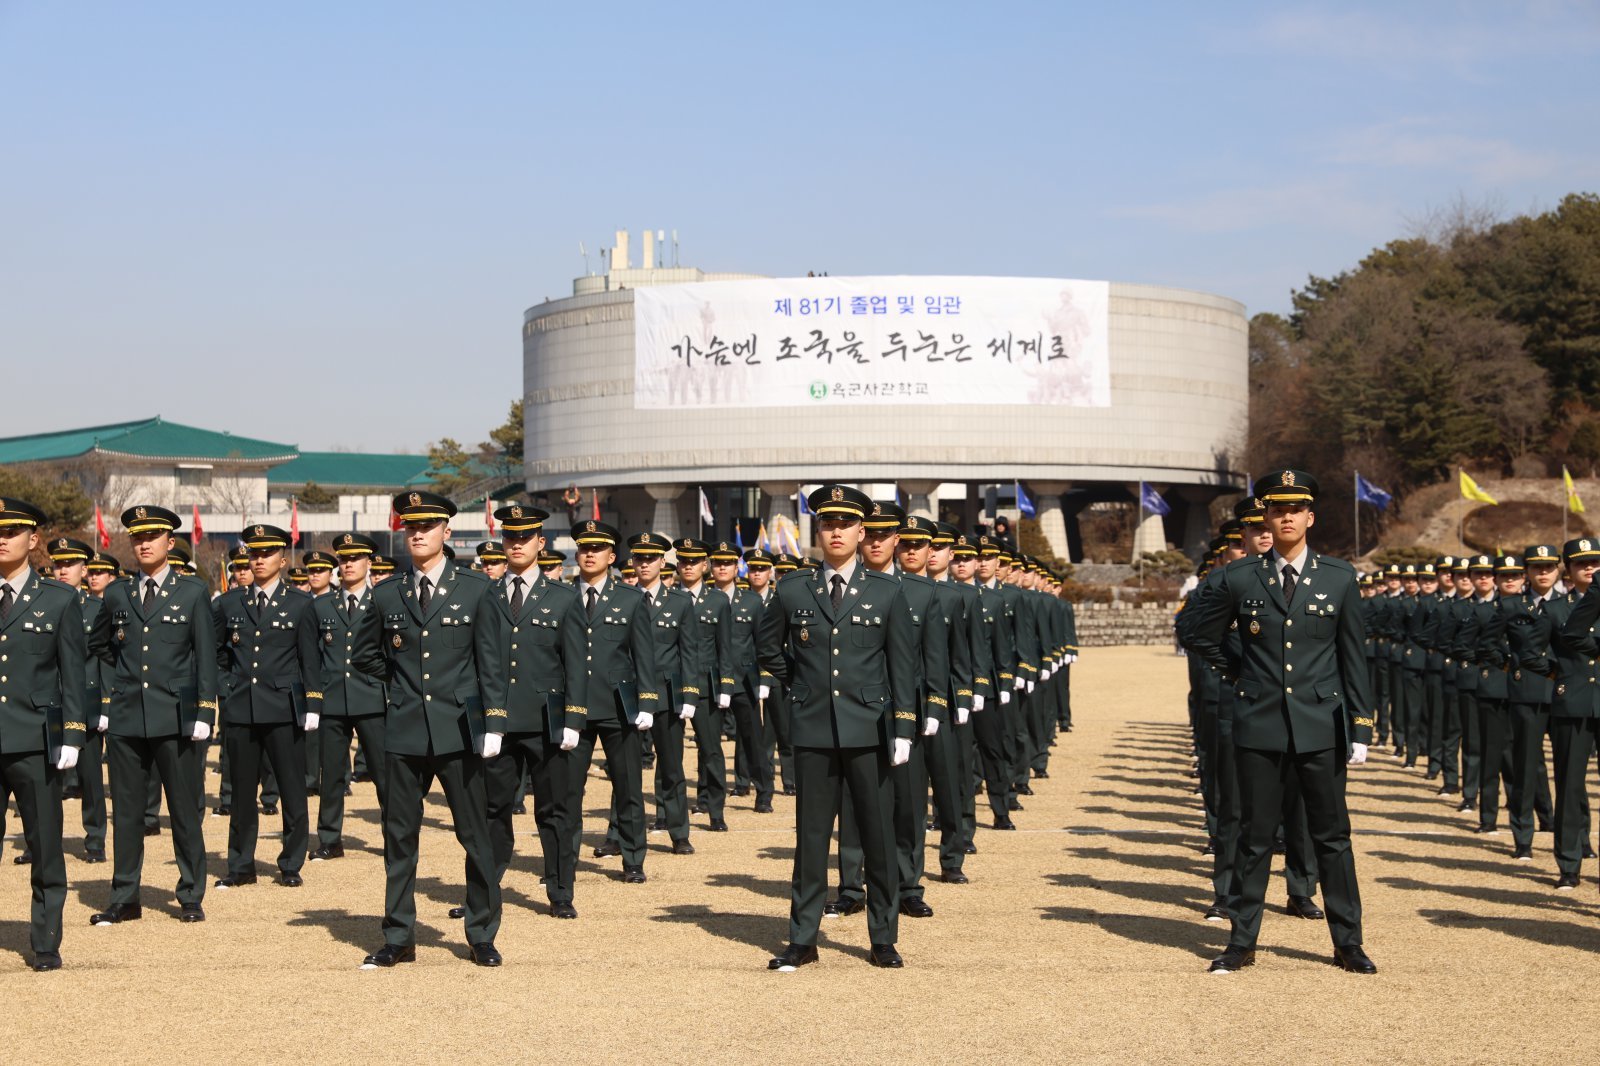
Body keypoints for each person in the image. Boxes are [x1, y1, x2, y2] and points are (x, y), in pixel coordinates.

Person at [1185, 470, 1377, 975]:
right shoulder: (1240, 576)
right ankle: (1241, 939)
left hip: (1321, 723)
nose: (1286, 516)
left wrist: (1361, 726)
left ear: (1311, 517)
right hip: (1260, 722)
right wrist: (1238, 671)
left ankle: (1348, 941)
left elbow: (1353, 656)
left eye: (1297, 508)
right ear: (1266, 516)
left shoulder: (1338, 577)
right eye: (1277, 508)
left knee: (1332, 837)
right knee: (1254, 836)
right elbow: (1198, 633)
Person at [758, 484, 919, 971]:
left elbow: (902, 666)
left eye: (845, 524)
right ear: (818, 531)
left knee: (877, 837)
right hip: (812, 731)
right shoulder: (791, 589)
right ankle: (803, 938)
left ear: (861, 531)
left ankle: (883, 937)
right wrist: (801, 685)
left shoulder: (888, 592)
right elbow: (766, 649)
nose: (836, 532)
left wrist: (904, 728)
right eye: (827, 523)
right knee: (811, 839)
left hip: (870, 730)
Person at [349, 490, 504, 967]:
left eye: (428, 526)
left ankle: (480, 933)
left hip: (459, 730)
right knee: (399, 837)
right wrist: (399, 688)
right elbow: (364, 655)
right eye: (410, 526)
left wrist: (493, 722)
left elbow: (491, 662)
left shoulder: (476, 589)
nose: (418, 533)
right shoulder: (386, 592)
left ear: (446, 532)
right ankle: (399, 935)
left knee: (474, 835)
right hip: (405, 731)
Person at [90, 504, 217, 926]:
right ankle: (125, 895)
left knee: (183, 809)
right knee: (126, 812)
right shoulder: (116, 593)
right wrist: (112, 694)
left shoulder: (193, 592)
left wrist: (204, 709)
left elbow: (205, 655)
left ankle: (190, 894)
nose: (143, 544)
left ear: (169, 542)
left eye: (151, 537)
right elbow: (102, 646)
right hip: (127, 718)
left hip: (175, 716)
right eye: (136, 537)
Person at [475, 504, 587, 918]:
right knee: (492, 809)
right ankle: (486, 888)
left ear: (541, 542)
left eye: (525, 537)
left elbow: (576, 663)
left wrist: (574, 718)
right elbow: (480, 660)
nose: (516, 544)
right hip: (498, 722)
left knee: (554, 810)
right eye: (510, 537)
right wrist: (487, 719)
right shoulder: (486, 594)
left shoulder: (563, 598)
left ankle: (560, 892)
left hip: (546, 720)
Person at [0, 500, 89, 970]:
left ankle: (45, 940)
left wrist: (73, 735)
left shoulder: (58, 599)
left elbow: (72, 673)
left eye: (13, 530)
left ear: (34, 540)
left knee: (45, 845)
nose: (2, 537)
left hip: (34, 740)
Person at [211, 524, 321, 889]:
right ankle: (241, 865)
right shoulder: (229, 603)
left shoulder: (301, 604)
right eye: (253, 553)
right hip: (242, 708)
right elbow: (218, 654)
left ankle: (291, 863)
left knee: (292, 789)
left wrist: (312, 704)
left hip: (284, 708)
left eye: (267, 553)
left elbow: (310, 660)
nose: (259, 559)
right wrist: (225, 688)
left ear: (282, 558)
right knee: (241, 792)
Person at [563, 520, 660, 883]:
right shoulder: (562, 597)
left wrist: (647, 702)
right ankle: (564, 857)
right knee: (569, 790)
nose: (590, 554)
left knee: (628, 786)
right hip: (574, 707)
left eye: (597, 548)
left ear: (612, 556)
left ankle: (633, 858)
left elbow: (644, 655)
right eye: (584, 548)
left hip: (620, 707)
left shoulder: (631, 599)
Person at [310, 532, 388, 861]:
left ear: (369, 562)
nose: (349, 564)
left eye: (356, 558)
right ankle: (330, 838)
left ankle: (394, 835)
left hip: (372, 698)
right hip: (332, 700)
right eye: (344, 559)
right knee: (332, 774)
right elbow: (312, 656)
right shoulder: (321, 605)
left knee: (385, 774)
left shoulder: (382, 601)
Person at [628, 532, 701, 855]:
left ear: (662, 562)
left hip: (667, 694)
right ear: (632, 562)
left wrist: (690, 695)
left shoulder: (680, 602)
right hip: (628, 696)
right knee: (625, 770)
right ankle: (620, 833)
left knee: (672, 767)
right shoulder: (622, 597)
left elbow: (690, 652)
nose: (645, 564)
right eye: (639, 558)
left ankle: (677, 830)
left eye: (651, 558)